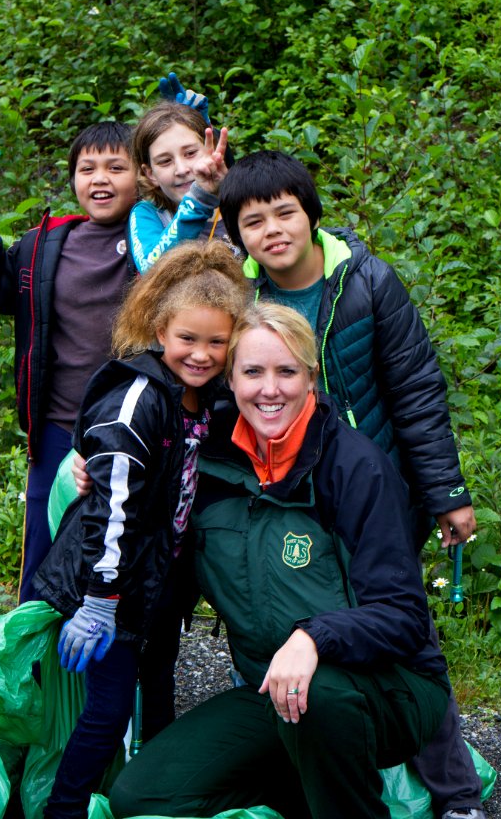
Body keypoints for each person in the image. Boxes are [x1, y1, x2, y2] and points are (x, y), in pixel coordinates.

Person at [217, 149, 484, 819]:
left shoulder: (366, 282)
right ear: (236, 233)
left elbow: (417, 392)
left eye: (286, 212)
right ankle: (297, 763)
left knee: (400, 628)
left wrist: (446, 493)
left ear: (311, 214)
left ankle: (457, 794)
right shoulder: (238, 295)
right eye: (254, 221)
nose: (274, 229)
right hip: (285, 495)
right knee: (279, 619)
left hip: (376, 489)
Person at [109, 303, 451, 819]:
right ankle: (304, 794)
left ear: (311, 377)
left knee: (320, 697)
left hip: (388, 690)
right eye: (252, 372)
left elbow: (403, 616)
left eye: (287, 371)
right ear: (231, 380)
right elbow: (142, 501)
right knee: (144, 796)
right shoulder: (210, 463)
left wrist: (314, 636)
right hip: (273, 692)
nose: (270, 389)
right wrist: (94, 463)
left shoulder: (355, 467)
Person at [31, 240, 250, 819]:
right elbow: (111, 510)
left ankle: (156, 796)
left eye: (216, 342)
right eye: (187, 339)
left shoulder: (211, 398)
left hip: (159, 586)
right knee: (106, 711)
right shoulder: (137, 400)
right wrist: (101, 599)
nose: (201, 354)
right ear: (159, 328)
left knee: (159, 691)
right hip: (111, 588)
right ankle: (65, 808)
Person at [0, 121, 140, 602]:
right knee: (41, 559)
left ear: (142, 175)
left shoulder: (154, 244)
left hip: (132, 432)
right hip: (56, 429)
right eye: (87, 168)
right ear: (73, 178)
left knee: (118, 559)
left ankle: (121, 675)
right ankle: (33, 672)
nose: (100, 178)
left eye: (116, 167)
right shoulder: (46, 243)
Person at [127, 100, 233, 274]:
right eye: (165, 161)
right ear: (150, 173)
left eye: (190, 153)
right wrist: (198, 201)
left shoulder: (238, 204)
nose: (182, 169)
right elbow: (150, 270)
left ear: (210, 149)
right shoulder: (149, 214)